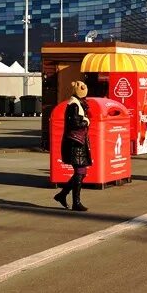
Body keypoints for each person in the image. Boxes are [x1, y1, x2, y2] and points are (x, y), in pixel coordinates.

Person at [55, 81, 91, 212]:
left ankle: (62, 195)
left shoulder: (77, 103)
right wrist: (86, 121)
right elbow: (75, 123)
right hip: (75, 142)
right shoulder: (74, 105)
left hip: (78, 141)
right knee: (80, 171)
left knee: (81, 172)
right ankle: (75, 202)